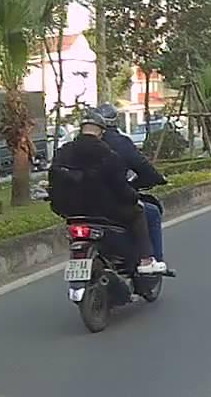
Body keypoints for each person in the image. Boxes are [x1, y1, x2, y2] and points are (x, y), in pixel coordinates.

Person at [48, 112, 167, 275]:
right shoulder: (108, 154)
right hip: (104, 210)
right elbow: (120, 187)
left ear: (81, 129)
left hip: (71, 211)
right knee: (139, 211)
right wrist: (133, 196)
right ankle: (146, 260)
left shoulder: (63, 152)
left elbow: (54, 179)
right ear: (101, 132)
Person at [96, 104, 168, 263]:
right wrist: (157, 178)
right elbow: (141, 166)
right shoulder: (118, 144)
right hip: (111, 204)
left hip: (81, 208)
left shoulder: (75, 145)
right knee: (151, 212)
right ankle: (153, 261)